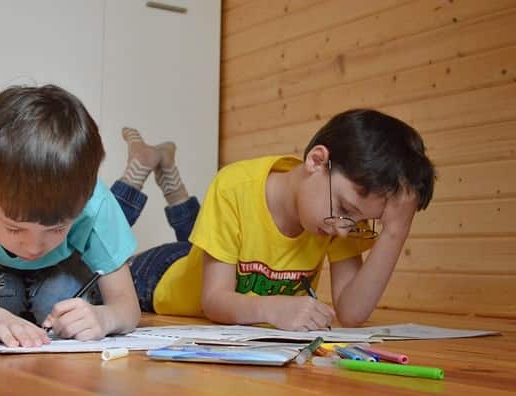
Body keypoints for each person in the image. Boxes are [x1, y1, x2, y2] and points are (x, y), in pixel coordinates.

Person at [118, 109, 435, 331]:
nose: (343, 228)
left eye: (358, 220)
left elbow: (351, 314)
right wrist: (272, 307)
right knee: (104, 260)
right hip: (159, 280)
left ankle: (169, 171)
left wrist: (396, 229)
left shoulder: (343, 216)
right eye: (344, 209)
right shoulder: (235, 184)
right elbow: (214, 300)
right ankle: (143, 163)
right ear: (316, 160)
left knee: (199, 239)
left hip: (215, 262)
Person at [0, 85, 141, 348]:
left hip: (61, 265)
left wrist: (104, 317)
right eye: (15, 229)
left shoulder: (94, 201)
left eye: (56, 229)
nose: (33, 248)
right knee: (2, 303)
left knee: (63, 304)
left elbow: (127, 308)